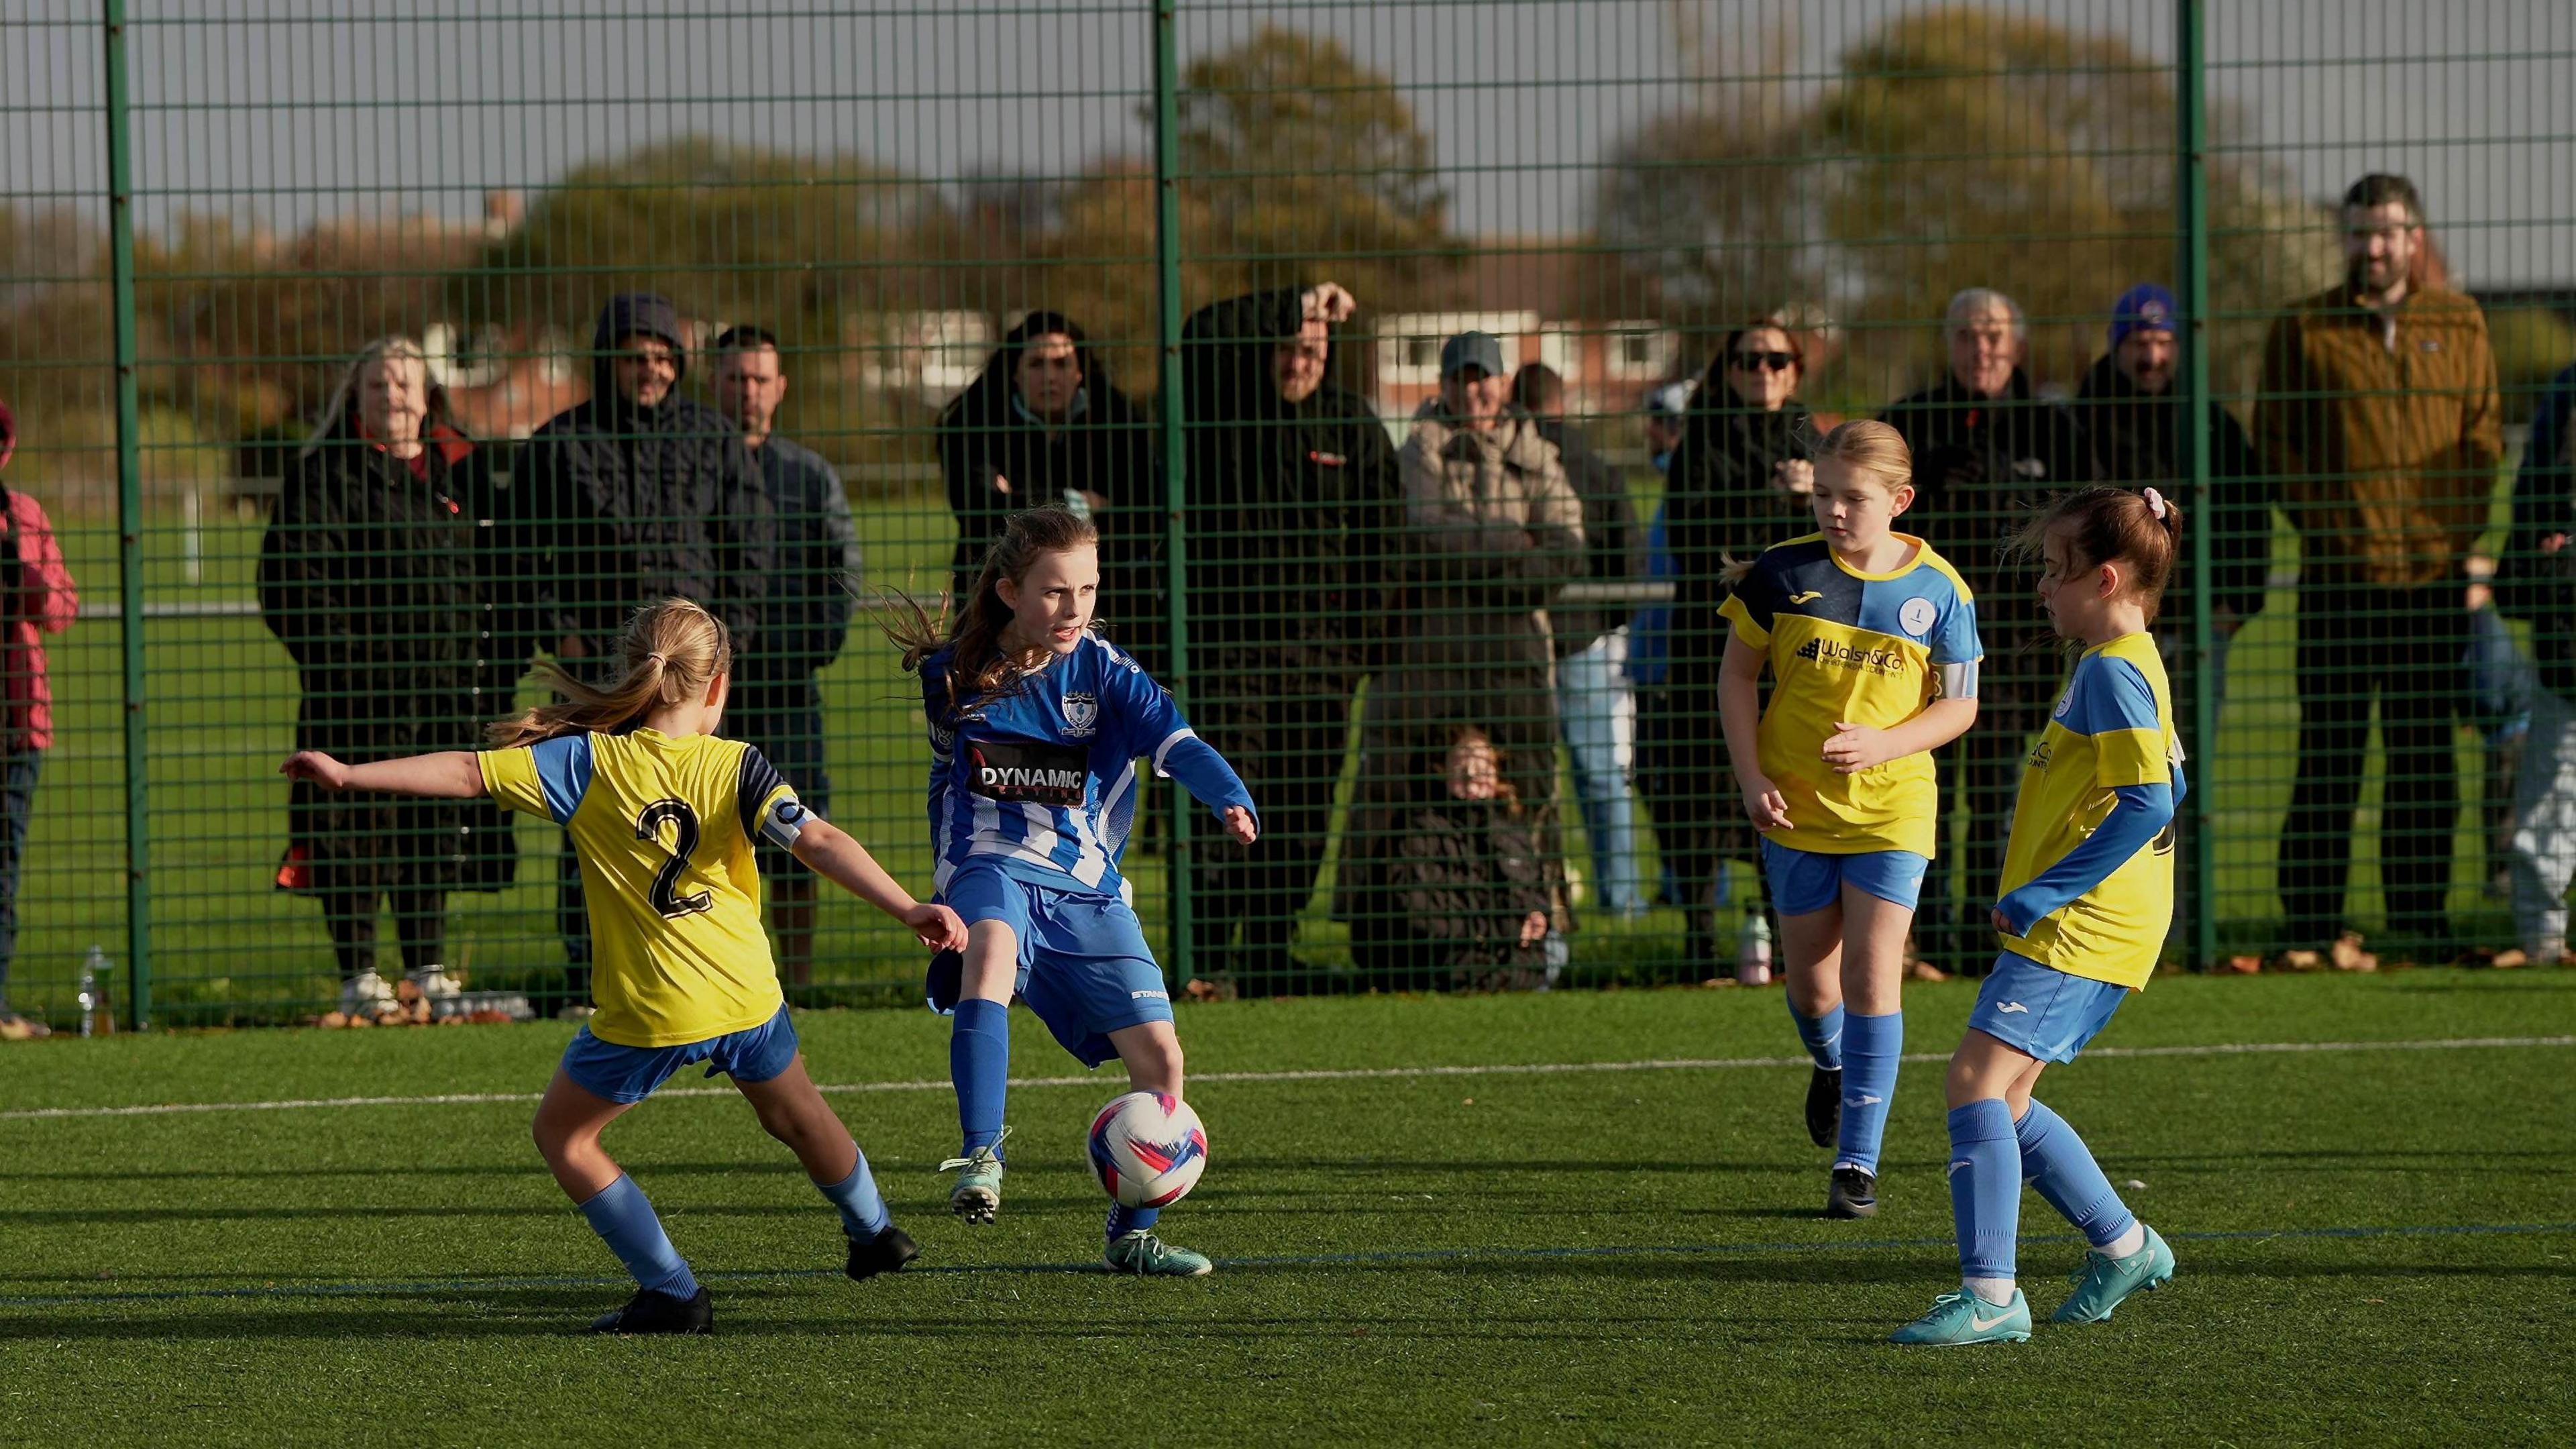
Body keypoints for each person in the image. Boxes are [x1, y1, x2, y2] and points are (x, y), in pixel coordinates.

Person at [279, 598, 964, 1334]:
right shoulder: (739, 764)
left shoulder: (586, 762)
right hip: (746, 993)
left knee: (564, 1137)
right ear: (718, 686)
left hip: (653, 1010)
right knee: (798, 1116)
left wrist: (350, 775)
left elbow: (467, 773)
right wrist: (905, 908)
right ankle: (877, 1232)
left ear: (633, 675)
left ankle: (673, 1293)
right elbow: (820, 840)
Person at [888, 506, 1258, 1275]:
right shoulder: (955, 675)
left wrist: (1225, 792)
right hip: (987, 859)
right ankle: (981, 1156)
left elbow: (1174, 738)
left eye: (1087, 589)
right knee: (990, 949)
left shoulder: (1106, 669)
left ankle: (1133, 1234)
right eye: (1056, 592)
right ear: (1010, 591)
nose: (1075, 609)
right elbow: (969, 761)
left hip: (1085, 882)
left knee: (1163, 1059)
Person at [1890, 485, 2186, 1346]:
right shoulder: (2130, 664)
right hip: (2103, 923)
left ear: (2104, 579)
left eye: (2055, 572)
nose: (2042, 589)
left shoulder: (2114, 671)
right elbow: (2169, 785)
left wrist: (2048, 889)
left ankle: (1990, 1296)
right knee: (2007, 1099)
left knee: (1975, 1084)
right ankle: (2124, 1245)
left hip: (2083, 925)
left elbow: (2146, 802)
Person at [1716, 421, 1982, 1219]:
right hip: (1794, 811)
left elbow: (1960, 705)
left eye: (1853, 498)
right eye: (1822, 494)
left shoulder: (1942, 590)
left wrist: (1887, 742)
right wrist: (1752, 776)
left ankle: (1857, 1163)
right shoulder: (1781, 572)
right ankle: (1830, 1065)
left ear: (1899, 501)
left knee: (1872, 974)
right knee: (1810, 984)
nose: (1834, 510)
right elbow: (1735, 679)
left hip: (1893, 813)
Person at [2259, 174, 2503, 961]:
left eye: (2390, 231)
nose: (2375, 247)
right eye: (2363, 232)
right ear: (2348, 238)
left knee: (2426, 757)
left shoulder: (2460, 322)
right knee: (2329, 752)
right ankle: (2311, 922)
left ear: (2415, 236)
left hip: (2432, 583)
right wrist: (2332, 529)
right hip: (2338, 579)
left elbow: (2484, 436)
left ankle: (2420, 917)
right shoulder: (2304, 327)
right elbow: (2277, 444)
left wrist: (2455, 537)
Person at [512, 294, 777, 1014]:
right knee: (593, 817)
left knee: (711, 819)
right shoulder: (559, 442)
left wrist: (729, 642)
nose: (651, 371)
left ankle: (710, 970)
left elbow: (752, 549)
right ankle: (588, 977)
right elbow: (522, 549)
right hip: (602, 664)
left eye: (663, 358)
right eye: (635, 358)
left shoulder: (714, 438)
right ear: (608, 361)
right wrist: (562, 632)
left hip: (693, 675)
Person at [258, 337, 517, 1022]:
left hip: (450, 694)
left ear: (429, 395)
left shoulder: (464, 472)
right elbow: (291, 587)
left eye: (406, 385)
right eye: (379, 386)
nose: (394, 397)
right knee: (350, 833)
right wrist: (348, 667)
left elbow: (502, 575)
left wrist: (492, 665)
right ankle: (359, 977)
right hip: (354, 699)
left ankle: (428, 971)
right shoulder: (323, 477)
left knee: (435, 827)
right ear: (356, 398)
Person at [1176, 282, 1397, 983]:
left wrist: (1359, 644)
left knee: (1303, 806)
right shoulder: (1228, 413)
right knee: (1223, 799)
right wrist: (1297, 299)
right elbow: (1200, 328)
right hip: (1230, 650)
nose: (1298, 362)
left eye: (1312, 349)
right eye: (1286, 346)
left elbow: (1385, 542)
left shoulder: (1354, 426)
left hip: (1323, 658)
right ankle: (1207, 957)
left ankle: (1272, 953)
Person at [1347, 331, 1584, 976]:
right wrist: (1514, 544)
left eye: (1483, 377)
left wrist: (1474, 559)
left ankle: (1543, 931)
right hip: (1427, 650)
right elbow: (1417, 539)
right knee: (1395, 781)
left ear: (1505, 382)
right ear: (1444, 386)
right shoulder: (1417, 450)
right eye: (1460, 379)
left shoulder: (1541, 453)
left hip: (1517, 656)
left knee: (1529, 787)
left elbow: (1566, 553)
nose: (1472, 390)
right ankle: (1382, 937)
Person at [1883, 288, 2092, 973]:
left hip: (2018, 641)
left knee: (2005, 790)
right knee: (1925, 786)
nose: (1983, 348)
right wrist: (1931, 485)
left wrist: (2005, 489)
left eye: (1995, 335)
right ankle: (1924, 934)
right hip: (1919, 641)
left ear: (2017, 344)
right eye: (1969, 335)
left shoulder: (2053, 427)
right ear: (1949, 343)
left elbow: (2078, 524)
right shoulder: (1912, 420)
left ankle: (1989, 929)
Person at [1654, 321, 1820, 979]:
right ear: (1728, 369)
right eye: (1751, 359)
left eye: (1779, 359)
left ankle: (1786, 940)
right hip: (1709, 638)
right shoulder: (1702, 435)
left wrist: (1814, 494)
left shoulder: (1815, 438)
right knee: (1699, 788)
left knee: (1784, 788)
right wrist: (1768, 499)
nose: (1765, 370)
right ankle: (1701, 942)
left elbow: (1843, 539)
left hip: (1794, 644)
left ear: (1796, 370)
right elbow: (1690, 531)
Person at [710, 325, 863, 987]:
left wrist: (817, 642)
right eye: (735, 378)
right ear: (713, 383)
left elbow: (844, 567)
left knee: (796, 838)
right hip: (704, 695)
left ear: (780, 388)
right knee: (708, 840)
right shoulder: (691, 464)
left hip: (790, 685)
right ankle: (725, 980)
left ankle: (794, 984)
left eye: (759, 379)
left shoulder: (809, 475)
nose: (747, 391)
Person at [2078, 283, 2271, 725]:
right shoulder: (2082, 419)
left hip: (2197, 623)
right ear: (2117, 344)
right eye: (2140, 343)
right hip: (2106, 622)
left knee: (2188, 758)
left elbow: (2250, 511)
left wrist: (2238, 603)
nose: (2153, 357)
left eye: (2164, 343)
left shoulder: (2211, 424)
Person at [934, 311, 1159, 657]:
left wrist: (1017, 501)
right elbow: (978, 511)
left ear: (1080, 370)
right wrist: (1080, 505)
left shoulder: (1120, 424)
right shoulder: (974, 426)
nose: (1050, 376)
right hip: (1000, 613)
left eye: (1061, 363)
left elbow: (1143, 511)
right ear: (1015, 372)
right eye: (1037, 364)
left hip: (1114, 607)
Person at [1513, 362, 1647, 921]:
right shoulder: (1596, 465)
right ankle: (1623, 898)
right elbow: (1632, 559)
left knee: (1524, 774)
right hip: (1585, 639)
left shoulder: (1508, 460)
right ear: (1562, 401)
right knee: (1601, 775)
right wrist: (1602, 617)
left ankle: (1534, 896)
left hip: (1518, 632)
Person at [1348, 727, 1555, 990]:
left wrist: (1536, 916)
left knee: (1556, 947)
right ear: (1441, 772)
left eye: (1482, 773)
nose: (1472, 783)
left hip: (1505, 955)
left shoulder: (1510, 833)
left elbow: (1532, 891)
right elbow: (1420, 911)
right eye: (1462, 774)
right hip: (1439, 961)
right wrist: (1498, 930)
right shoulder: (1418, 832)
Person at [0, 398, 74, 1042]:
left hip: (21, 722)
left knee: (5, 865)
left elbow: (61, 608)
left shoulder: (23, 513)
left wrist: (25, 580)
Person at [2500, 360, 2576, 964]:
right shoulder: (2563, 399)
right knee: (2553, 793)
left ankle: (2541, 929)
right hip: (2567, 649)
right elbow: (2527, 534)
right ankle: (2543, 935)